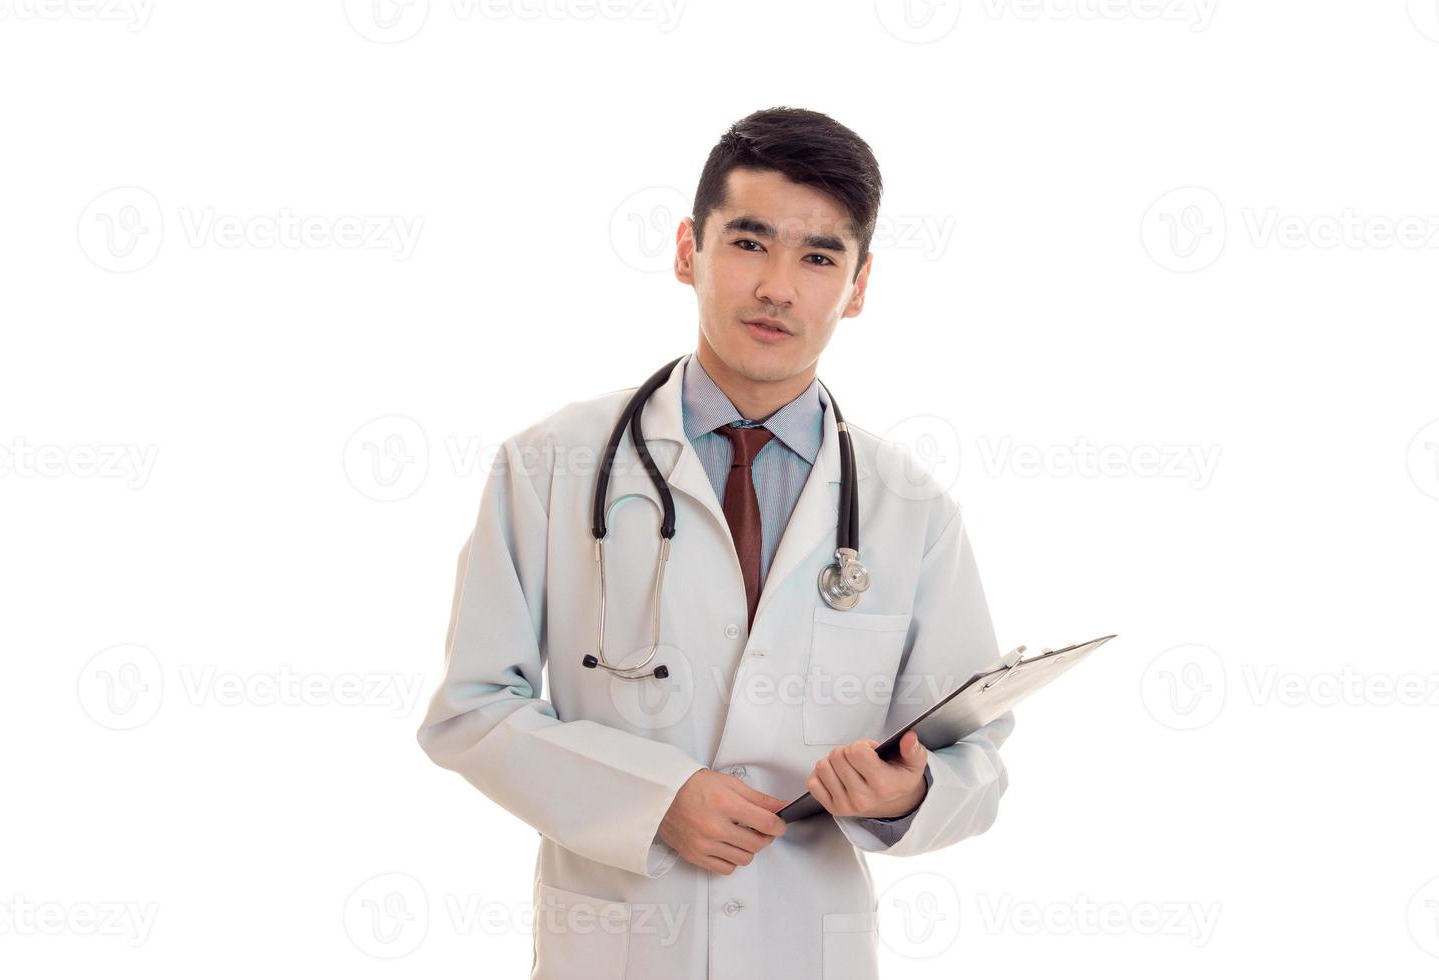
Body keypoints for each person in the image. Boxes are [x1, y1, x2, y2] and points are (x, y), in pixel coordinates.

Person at [416, 106, 1015, 980]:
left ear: (858, 286)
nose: (778, 285)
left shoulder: (909, 508)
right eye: (749, 242)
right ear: (688, 251)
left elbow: (977, 759)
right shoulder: (549, 466)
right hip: (619, 944)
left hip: (805, 944)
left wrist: (909, 796)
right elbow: (472, 709)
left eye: (819, 257)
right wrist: (653, 800)